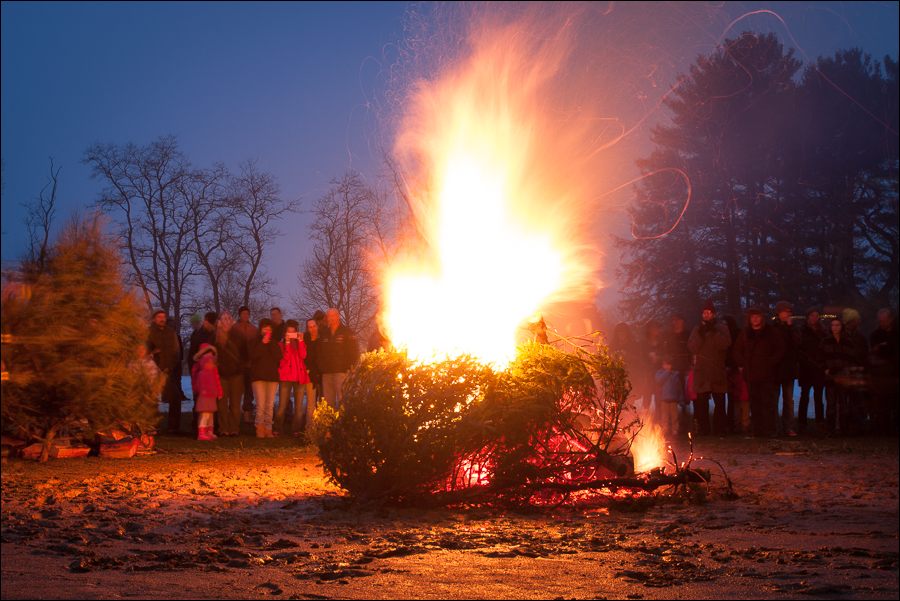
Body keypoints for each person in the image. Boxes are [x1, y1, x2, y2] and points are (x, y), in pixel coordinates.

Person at [733, 306, 784, 438]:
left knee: (768, 402)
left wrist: (770, 362)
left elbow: (780, 350)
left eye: (757, 316)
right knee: (755, 403)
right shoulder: (745, 333)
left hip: (767, 374)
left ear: (762, 318)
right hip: (751, 374)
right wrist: (743, 364)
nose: (755, 319)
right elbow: (737, 351)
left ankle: (770, 430)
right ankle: (758, 430)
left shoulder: (771, 332)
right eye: (752, 317)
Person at [687, 299, 731, 436]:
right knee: (701, 404)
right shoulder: (697, 329)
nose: (706, 315)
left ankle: (720, 429)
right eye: (704, 313)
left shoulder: (721, 328)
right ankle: (704, 430)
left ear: (714, 314)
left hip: (717, 370)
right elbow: (692, 347)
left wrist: (714, 332)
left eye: (709, 313)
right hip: (702, 372)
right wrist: (701, 334)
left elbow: (725, 344)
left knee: (719, 402)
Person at [147, 310, 183, 435]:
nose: (162, 319)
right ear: (154, 319)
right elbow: (144, 350)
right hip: (153, 371)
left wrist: (171, 366)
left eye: (163, 317)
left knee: (175, 397)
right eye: (159, 317)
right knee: (151, 399)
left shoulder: (170, 332)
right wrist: (152, 354)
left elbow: (176, 351)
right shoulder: (149, 332)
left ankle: (173, 427)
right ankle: (152, 426)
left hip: (168, 371)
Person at [318, 308, 359, 410]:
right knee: (328, 404)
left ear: (338, 316)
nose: (330, 318)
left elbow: (354, 352)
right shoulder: (324, 333)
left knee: (343, 401)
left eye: (333, 316)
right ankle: (330, 424)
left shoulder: (347, 332)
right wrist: (321, 368)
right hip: (327, 373)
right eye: (328, 316)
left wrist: (350, 368)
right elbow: (319, 353)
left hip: (341, 373)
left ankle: (343, 424)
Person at [275, 320, 310, 436]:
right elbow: (286, 358)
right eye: (288, 332)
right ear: (285, 333)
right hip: (286, 378)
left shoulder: (300, 343)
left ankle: (296, 430)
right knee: (282, 406)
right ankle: (278, 429)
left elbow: (303, 355)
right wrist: (288, 343)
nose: (291, 334)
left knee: (299, 407)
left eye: (293, 332)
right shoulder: (281, 344)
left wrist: (300, 341)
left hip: (299, 377)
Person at [248, 318, 283, 438]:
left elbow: (279, 357)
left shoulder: (274, 342)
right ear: (260, 329)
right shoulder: (255, 342)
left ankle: (268, 428)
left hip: (272, 377)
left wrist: (271, 343)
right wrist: (263, 343)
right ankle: (259, 427)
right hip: (258, 377)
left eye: (269, 328)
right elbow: (253, 356)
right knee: (261, 404)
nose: (267, 330)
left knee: (270, 404)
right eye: (265, 328)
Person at [869, 308, 899, 435]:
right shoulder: (876, 335)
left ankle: (895, 427)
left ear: (890, 320)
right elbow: (874, 353)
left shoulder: (896, 333)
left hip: (895, 372)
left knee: (895, 402)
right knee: (882, 403)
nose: (882, 323)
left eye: (884, 321)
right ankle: (883, 428)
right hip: (882, 373)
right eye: (880, 321)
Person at [797, 307, 826, 434]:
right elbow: (799, 349)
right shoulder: (802, 331)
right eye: (812, 315)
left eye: (816, 315)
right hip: (806, 368)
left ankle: (820, 422)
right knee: (804, 396)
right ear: (808, 317)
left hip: (819, 368)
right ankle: (802, 423)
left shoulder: (823, 332)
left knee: (819, 396)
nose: (814, 318)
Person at [214, 311, 243, 436]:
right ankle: (223, 428)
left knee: (235, 404)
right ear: (220, 322)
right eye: (223, 319)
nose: (226, 321)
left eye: (228, 319)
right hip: (221, 375)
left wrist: (240, 367)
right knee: (222, 404)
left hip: (236, 375)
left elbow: (244, 354)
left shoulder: (238, 336)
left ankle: (234, 428)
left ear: (232, 321)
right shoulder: (215, 337)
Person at [772, 301, 798, 436]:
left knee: (788, 400)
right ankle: (775, 427)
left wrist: (790, 328)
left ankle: (789, 427)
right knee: (774, 400)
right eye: (785, 311)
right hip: (776, 369)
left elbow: (797, 344)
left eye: (789, 312)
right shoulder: (773, 328)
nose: (787, 314)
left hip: (788, 369)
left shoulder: (792, 328)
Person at [191, 343, 222, 441]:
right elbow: (198, 383)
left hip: (211, 395)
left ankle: (209, 431)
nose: (210, 362)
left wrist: (219, 392)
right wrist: (201, 391)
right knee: (205, 414)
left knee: (210, 414)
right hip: (204, 396)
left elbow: (217, 381)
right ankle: (202, 432)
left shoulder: (213, 371)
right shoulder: (201, 372)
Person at [232, 306, 258, 424]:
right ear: (239, 315)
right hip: (237, 364)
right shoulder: (234, 328)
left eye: (247, 314)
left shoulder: (253, 329)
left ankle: (247, 413)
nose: (245, 316)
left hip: (250, 365)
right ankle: (234, 413)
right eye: (243, 314)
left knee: (249, 391)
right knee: (236, 390)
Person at [655, 357, 683, 437]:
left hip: (674, 399)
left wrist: (681, 398)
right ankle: (665, 430)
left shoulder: (675, 374)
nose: (667, 366)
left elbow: (678, 387)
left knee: (675, 416)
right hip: (664, 399)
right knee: (665, 416)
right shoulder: (659, 373)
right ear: (663, 365)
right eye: (665, 364)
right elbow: (659, 380)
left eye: (669, 365)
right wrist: (667, 372)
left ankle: (675, 430)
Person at [303, 316, 322, 426]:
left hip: (322, 373)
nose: (312, 329)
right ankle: (310, 428)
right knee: (311, 403)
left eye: (314, 326)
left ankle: (321, 426)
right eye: (310, 327)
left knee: (322, 401)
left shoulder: (322, 339)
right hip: (309, 374)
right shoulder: (305, 340)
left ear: (317, 326)